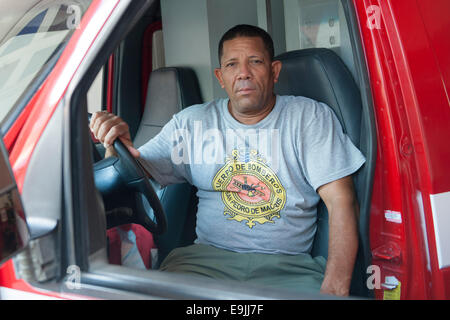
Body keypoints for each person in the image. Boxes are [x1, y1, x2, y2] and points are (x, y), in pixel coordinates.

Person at [90, 24, 365, 296]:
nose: (243, 73)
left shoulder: (309, 118)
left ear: (274, 71)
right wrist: (115, 144)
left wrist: (334, 289)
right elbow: (132, 174)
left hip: (289, 269)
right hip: (203, 264)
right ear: (221, 77)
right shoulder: (193, 123)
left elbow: (342, 201)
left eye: (255, 61)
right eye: (232, 65)